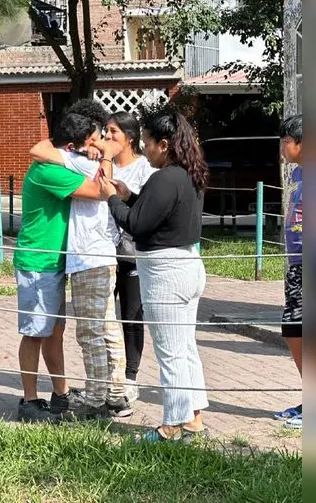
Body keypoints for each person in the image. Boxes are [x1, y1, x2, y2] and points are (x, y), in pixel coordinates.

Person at [100, 111, 209, 442]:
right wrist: (127, 196)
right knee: (184, 347)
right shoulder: (187, 174)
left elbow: (136, 224)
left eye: (147, 143)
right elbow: (152, 212)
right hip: (186, 265)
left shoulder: (164, 178)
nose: (144, 150)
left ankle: (172, 426)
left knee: (170, 351)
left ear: (164, 145)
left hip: (167, 273)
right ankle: (192, 417)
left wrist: (109, 199)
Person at [28, 100, 131, 420]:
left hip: (88, 258)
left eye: (104, 133)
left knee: (90, 332)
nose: (101, 137)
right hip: (101, 254)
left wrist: (91, 150)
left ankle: (98, 398)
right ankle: (116, 394)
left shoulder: (77, 162)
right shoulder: (91, 160)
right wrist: (98, 151)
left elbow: (39, 150)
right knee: (107, 327)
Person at [15, 113, 109, 423]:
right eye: (90, 142)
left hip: (54, 261)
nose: (96, 146)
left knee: (54, 331)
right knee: (35, 332)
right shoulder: (50, 171)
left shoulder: (58, 160)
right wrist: (106, 156)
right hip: (38, 263)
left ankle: (60, 393)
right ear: (71, 147)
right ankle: (29, 401)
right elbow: (98, 190)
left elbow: (43, 146)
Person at [103, 111, 156, 401]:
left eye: (113, 132)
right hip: (101, 251)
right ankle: (109, 374)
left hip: (132, 254)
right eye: (106, 131)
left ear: (129, 138)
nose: (107, 137)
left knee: (132, 314)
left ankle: (131, 376)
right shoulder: (103, 165)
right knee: (103, 316)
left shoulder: (145, 170)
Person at [274, 114, 302, 429]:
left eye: (287, 141)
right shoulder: (298, 173)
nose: (282, 147)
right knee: (294, 330)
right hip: (296, 265)